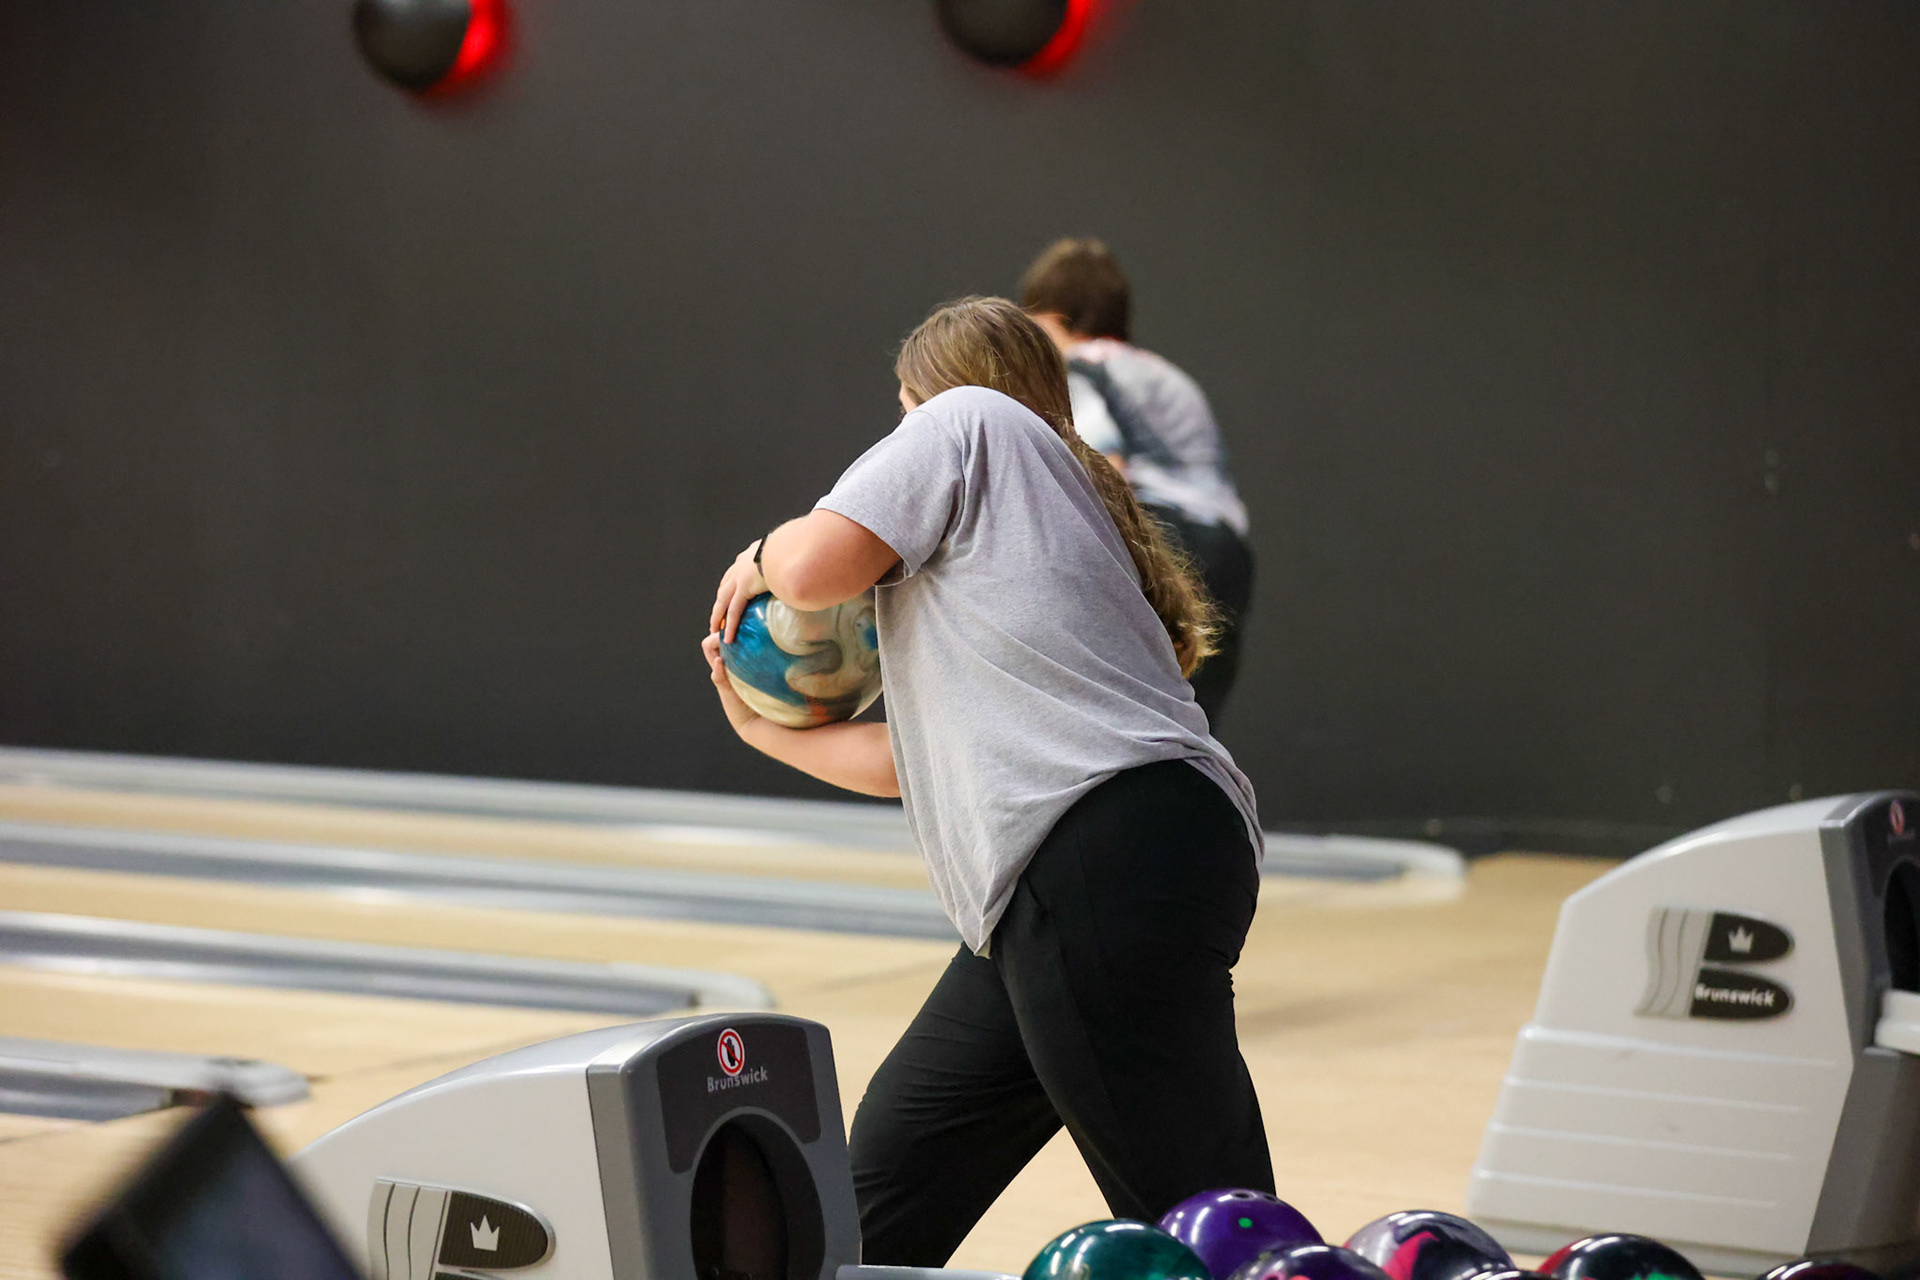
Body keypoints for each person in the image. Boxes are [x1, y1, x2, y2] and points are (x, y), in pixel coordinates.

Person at [702, 297, 1274, 1266]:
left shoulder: (968, 421)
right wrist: (764, 732)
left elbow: (808, 570)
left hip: (1099, 855)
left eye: (900, 408)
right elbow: (911, 763)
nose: (898, 433)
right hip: (1080, 873)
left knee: (1201, 1219)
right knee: (878, 1194)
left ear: (925, 394)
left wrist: (754, 555)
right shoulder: (1051, 509)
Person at [1020, 237, 1255, 728]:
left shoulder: (1078, 370)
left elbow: (1105, 468)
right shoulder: (1168, 376)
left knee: (1126, 712)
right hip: (1227, 550)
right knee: (1191, 715)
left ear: (1056, 317)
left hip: (1162, 542)